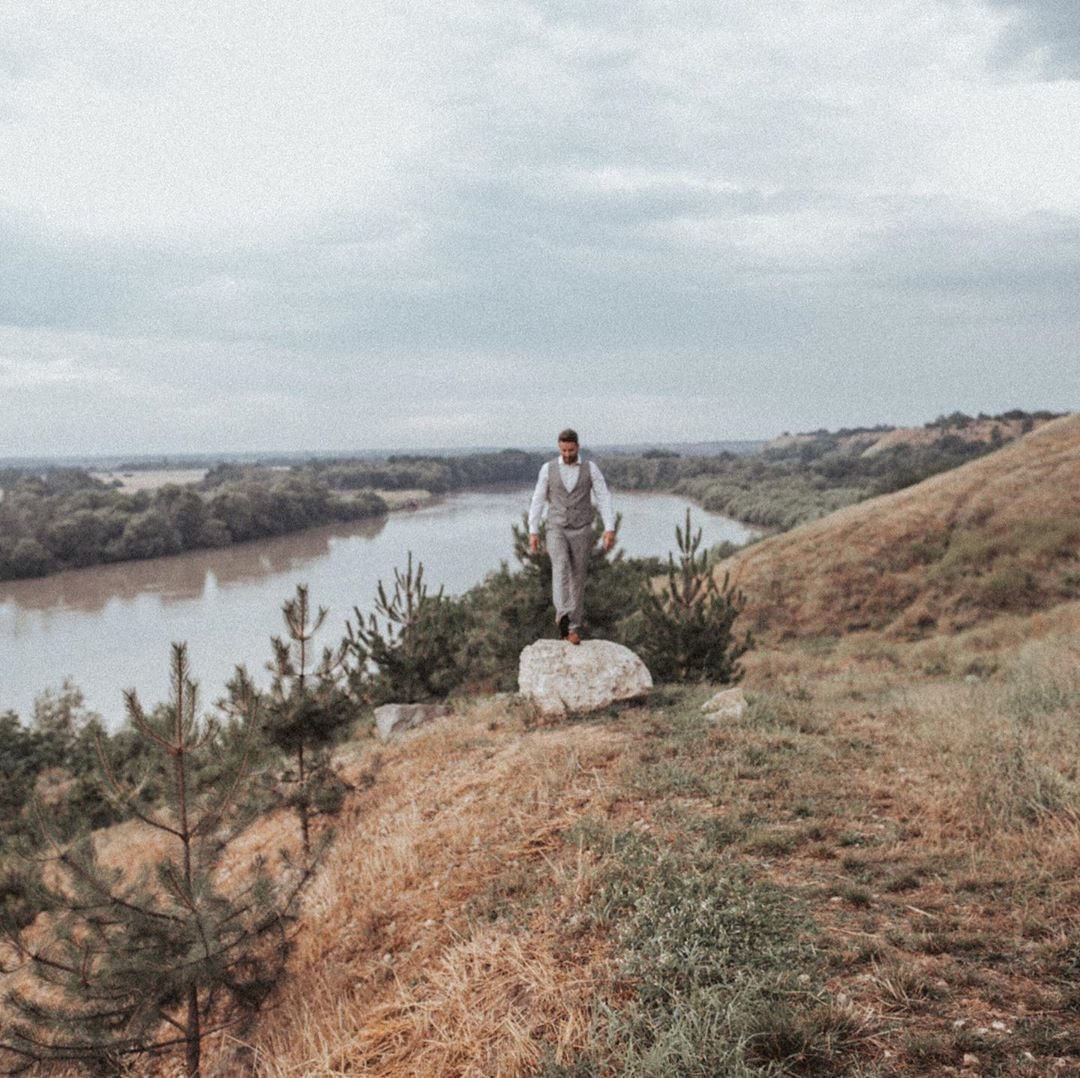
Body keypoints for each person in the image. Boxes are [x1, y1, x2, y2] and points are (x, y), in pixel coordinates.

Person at [528, 428, 615, 645]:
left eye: (571, 450)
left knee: (578, 576)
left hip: (582, 528)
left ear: (578, 446)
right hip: (555, 527)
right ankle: (564, 617)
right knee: (560, 566)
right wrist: (533, 530)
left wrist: (609, 528)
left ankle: (573, 628)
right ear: (559, 447)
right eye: (563, 450)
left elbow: (603, 497)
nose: (567, 454)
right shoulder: (547, 469)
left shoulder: (590, 468)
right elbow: (538, 499)